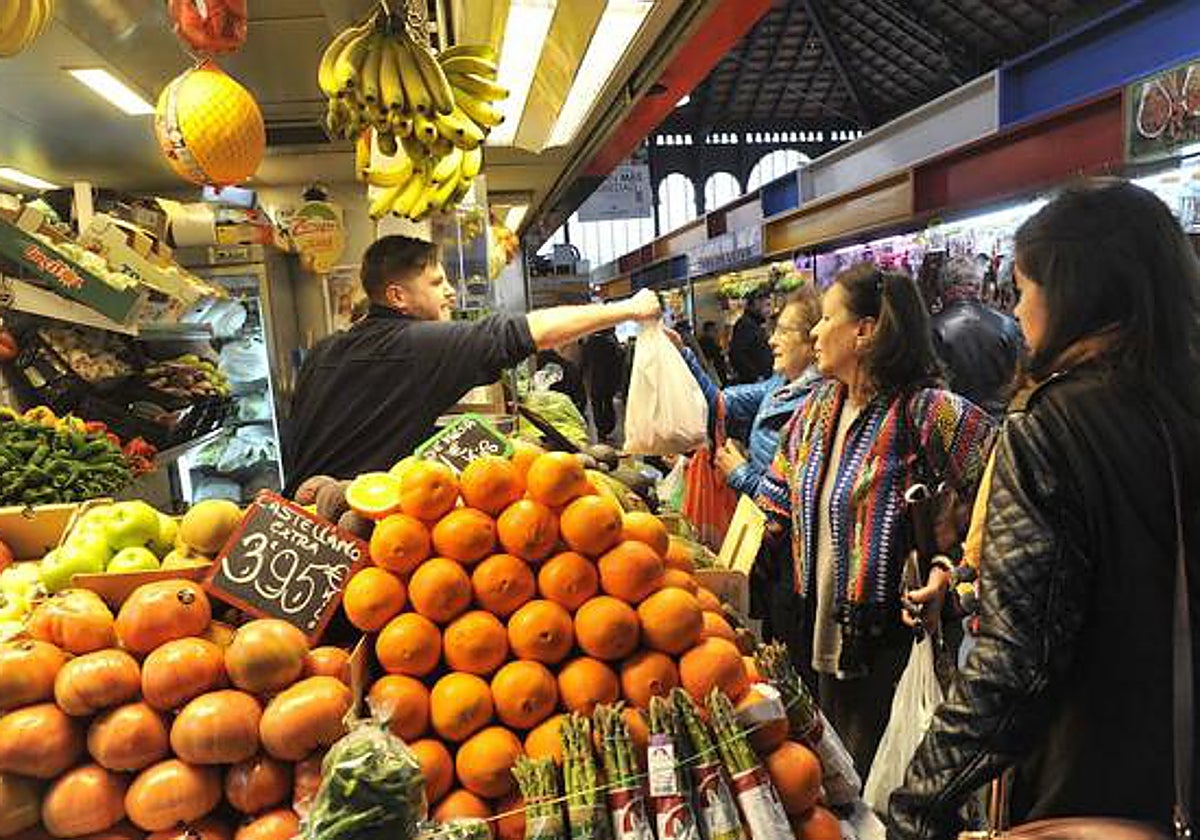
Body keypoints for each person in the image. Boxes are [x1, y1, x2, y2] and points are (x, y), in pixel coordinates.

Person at [888, 180, 1200, 839]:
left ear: (1070, 293)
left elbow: (1017, 662)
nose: (1019, 312)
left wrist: (917, 801)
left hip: (1097, 787)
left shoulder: (1053, 426)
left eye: (1026, 288)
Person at [756, 263, 994, 776]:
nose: (815, 332)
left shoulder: (928, 411)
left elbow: (1004, 486)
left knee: (878, 788)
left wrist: (955, 571)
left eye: (826, 319)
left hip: (889, 649)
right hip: (815, 639)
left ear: (865, 331)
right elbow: (775, 497)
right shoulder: (818, 408)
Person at [286, 236, 659, 490]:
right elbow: (532, 332)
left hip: (296, 522)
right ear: (398, 296)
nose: (450, 292)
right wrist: (629, 309)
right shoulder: (419, 344)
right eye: (436, 283)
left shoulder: (324, 351)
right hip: (352, 538)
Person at [668, 288, 822, 499]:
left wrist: (740, 474)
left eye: (784, 332)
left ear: (814, 340)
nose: (772, 341)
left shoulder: (820, 406)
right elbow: (721, 402)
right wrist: (683, 353)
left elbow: (801, 501)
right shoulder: (780, 387)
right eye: (774, 330)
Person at [929, 254, 1023, 416]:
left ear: (943, 288)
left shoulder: (931, 329)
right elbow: (1021, 379)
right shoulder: (1007, 325)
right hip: (1002, 422)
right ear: (978, 286)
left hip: (955, 426)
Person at [582, 328, 623, 442]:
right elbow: (618, 363)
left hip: (594, 378)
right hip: (609, 379)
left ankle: (601, 430)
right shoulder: (612, 342)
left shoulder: (590, 341)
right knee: (608, 402)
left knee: (597, 404)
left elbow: (585, 362)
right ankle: (609, 427)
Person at [729, 290, 774, 383]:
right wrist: (755, 377)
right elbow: (737, 355)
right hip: (756, 382)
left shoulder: (754, 324)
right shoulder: (745, 324)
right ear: (756, 304)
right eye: (767, 305)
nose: (769, 310)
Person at [698, 320, 729, 384]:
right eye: (715, 331)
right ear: (709, 331)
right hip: (714, 375)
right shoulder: (708, 343)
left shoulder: (704, 342)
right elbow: (716, 357)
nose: (716, 333)